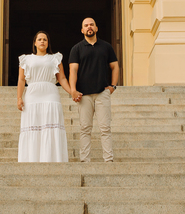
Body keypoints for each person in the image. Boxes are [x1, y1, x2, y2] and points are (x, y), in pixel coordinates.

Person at [17, 31, 76, 162]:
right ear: (35, 43)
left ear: (48, 43)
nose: (42, 41)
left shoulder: (55, 58)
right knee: (33, 127)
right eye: (39, 39)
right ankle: (31, 160)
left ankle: (52, 159)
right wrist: (19, 98)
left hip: (50, 94)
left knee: (51, 127)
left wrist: (72, 92)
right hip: (32, 94)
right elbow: (21, 80)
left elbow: (62, 78)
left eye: (45, 39)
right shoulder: (25, 59)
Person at [68, 17, 119, 163]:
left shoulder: (106, 47)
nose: (89, 27)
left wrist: (113, 86)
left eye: (91, 25)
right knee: (85, 128)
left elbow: (115, 66)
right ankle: (85, 160)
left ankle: (108, 160)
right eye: (86, 25)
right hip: (84, 95)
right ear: (82, 30)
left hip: (102, 92)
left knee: (105, 128)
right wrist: (73, 90)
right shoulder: (76, 49)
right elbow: (73, 71)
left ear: (96, 28)